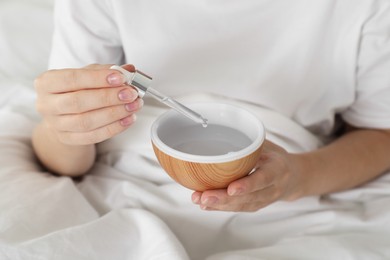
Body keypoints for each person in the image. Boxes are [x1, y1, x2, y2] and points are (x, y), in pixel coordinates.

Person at [32, 0, 390, 212]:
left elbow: (380, 132)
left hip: (288, 192)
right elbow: (62, 157)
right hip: (120, 187)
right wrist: (65, 128)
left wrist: (295, 179)